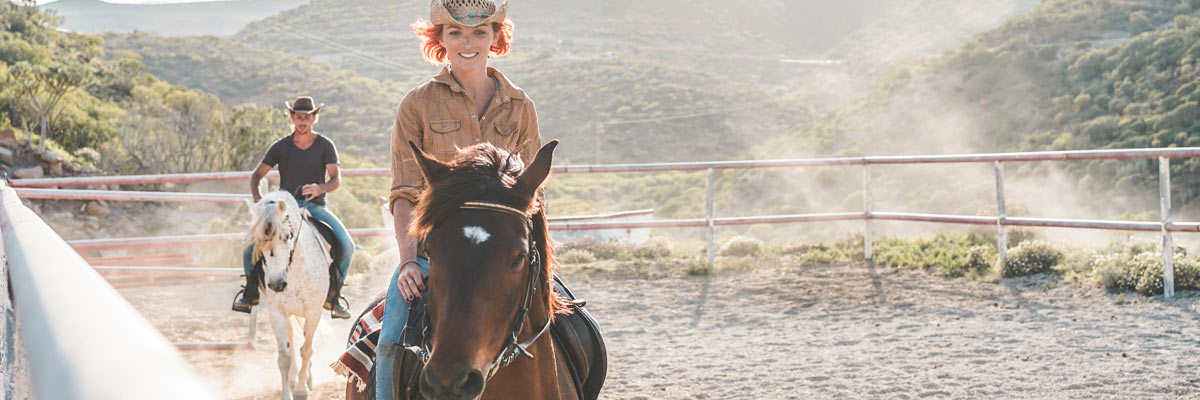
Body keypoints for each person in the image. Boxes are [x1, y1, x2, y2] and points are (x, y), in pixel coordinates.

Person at [377, 0, 541, 396]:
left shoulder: (520, 107)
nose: (468, 43)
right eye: (456, 33)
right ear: (440, 40)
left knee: (579, 329)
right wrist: (408, 261)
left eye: (479, 32)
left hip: (505, 256)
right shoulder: (416, 105)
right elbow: (404, 193)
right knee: (388, 340)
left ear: (495, 38)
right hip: (439, 256)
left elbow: (533, 196)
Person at [232, 96, 356, 319]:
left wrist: (320, 188)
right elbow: (256, 176)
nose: (302, 121)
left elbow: (336, 179)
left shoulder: (325, 145)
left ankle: (334, 297)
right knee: (248, 244)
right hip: (285, 209)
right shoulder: (281, 146)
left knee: (347, 245)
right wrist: (259, 202)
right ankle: (250, 292)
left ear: (314, 118)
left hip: (315, 206)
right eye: (299, 117)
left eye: (307, 117)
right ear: (292, 117)